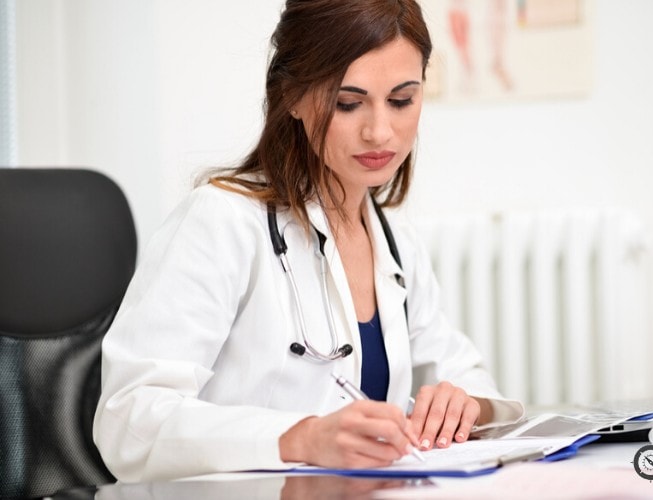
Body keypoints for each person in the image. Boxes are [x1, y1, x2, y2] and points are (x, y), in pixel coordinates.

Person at [93, 0, 523, 482]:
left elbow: (463, 372)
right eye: (347, 102)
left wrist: (465, 404)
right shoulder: (222, 222)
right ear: (292, 97)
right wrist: (302, 437)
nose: (379, 130)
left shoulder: (394, 241)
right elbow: (128, 420)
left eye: (402, 100)